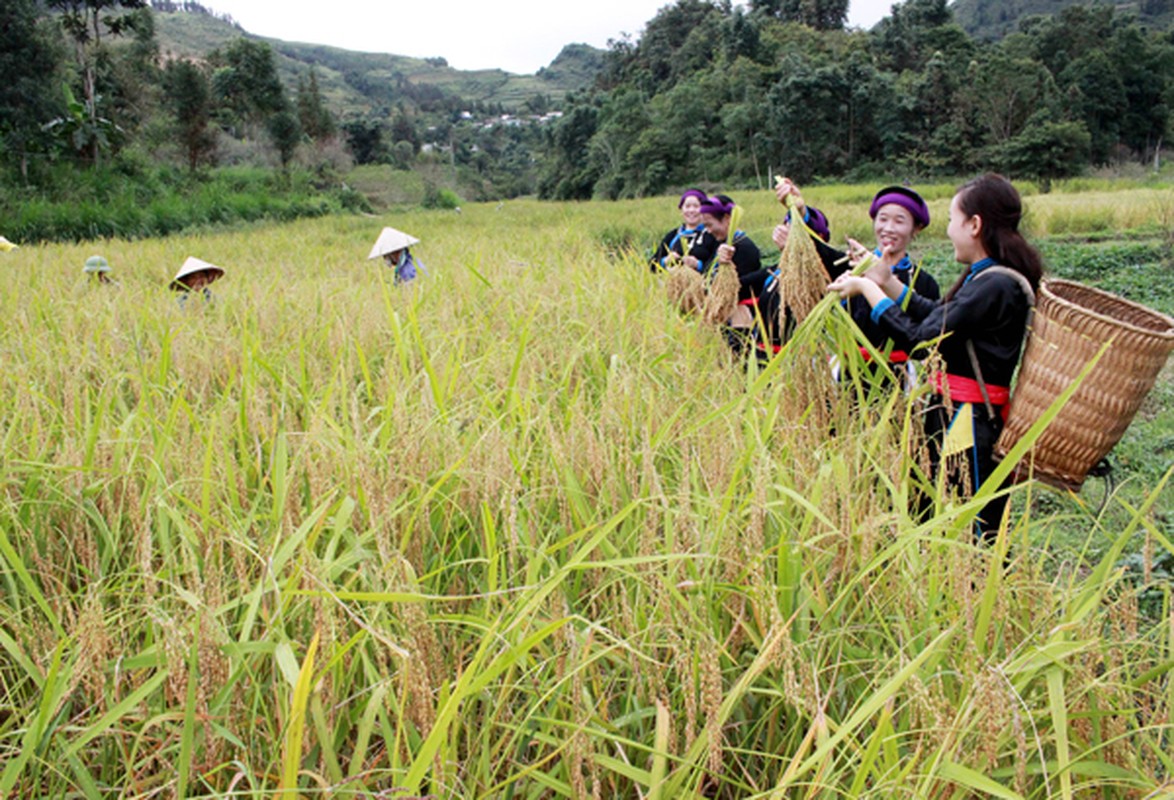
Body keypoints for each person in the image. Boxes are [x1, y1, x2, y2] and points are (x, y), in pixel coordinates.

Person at [827, 173, 1042, 540]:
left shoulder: (996, 284)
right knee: (929, 516)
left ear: (974, 225)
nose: (948, 231)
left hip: (970, 425)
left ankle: (977, 596)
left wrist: (865, 287)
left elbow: (920, 341)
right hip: (951, 414)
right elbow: (936, 314)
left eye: (951, 221)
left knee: (974, 532)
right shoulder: (983, 278)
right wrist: (886, 280)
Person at [650, 188, 707, 273]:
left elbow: (716, 263)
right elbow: (652, 265)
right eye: (687, 206)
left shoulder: (711, 234)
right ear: (681, 210)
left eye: (696, 206)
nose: (691, 210)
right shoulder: (673, 235)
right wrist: (666, 261)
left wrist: (698, 264)